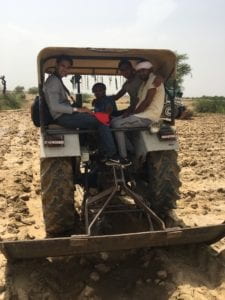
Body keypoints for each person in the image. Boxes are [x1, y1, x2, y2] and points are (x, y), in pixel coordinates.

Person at [42, 55, 120, 238]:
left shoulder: (56, 81)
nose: (65, 70)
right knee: (101, 121)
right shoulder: (53, 82)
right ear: (56, 65)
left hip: (64, 116)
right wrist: (79, 110)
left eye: (68, 67)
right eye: (63, 66)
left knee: (96, 118)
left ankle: (100, 152)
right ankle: (111, 155)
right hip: (63, 117)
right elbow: (56, 105)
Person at [111, 60, 165, 161]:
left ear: (150, 70)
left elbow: (146, 102)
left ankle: (124, 157)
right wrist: (128, 113)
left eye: (144, 70)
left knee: (116, 125)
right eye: (139, 71)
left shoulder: (154, 80)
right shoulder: (143, 84)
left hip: (148, 117)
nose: (142, 73)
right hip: (141, 115)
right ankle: (130, 149)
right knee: (113, 121)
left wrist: (132, 114)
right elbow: (137, 102)